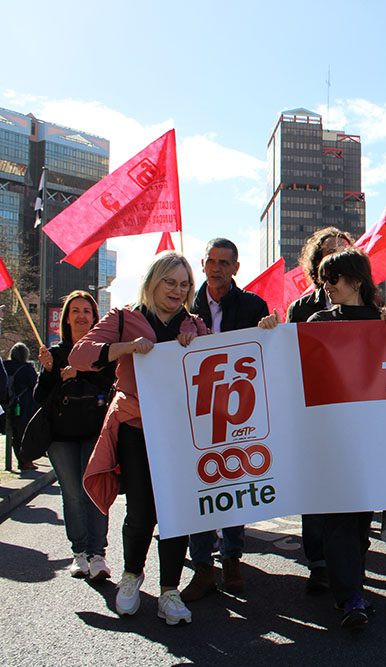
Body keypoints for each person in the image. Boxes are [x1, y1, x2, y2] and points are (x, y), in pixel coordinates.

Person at [261, 248, 386, 629]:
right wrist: (272, 336)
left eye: (333, 279)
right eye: (323, 279)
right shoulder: (319, 320)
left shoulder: (383, 323)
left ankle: (352, 584)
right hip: (331, 439)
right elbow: (290, 361)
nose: (326, 286)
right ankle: (350, 598)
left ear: (356, 280)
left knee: (358, 522)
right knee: (339, 518)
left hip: (370, 440)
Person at [71, 251, 207, 626]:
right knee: (142, 511)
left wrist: (198, 343)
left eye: (184, 285)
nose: (177, 291)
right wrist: (125, 349)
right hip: (136, 430)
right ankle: (131, 577)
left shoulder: (196, 324)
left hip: (182, 435)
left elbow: (220, 365)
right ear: (152, 282)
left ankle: (170, 591)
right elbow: (79, 355)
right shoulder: (121, 319)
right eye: (170, 282)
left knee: (177, 514)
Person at [181, 239, 269, 602]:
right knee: (197, 489)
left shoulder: (253, 305)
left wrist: (269, 329)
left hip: (238, 412)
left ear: (235, 268)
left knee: (232, 484)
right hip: (194, 411)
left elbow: (266, 353)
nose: (216, 268)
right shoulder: (183, 305)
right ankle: (203, 566)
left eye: (224, 263)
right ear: (202, 264)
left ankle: (232, 559)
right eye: (210, 261)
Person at [285, 226, 353, 593]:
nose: (336, 255)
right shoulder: (301, 308)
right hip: (313, 411)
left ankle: (353, 557)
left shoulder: (368, 304)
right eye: (328, 251)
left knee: (352, 488)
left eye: (343, 249)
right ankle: (319, 563)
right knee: (314, 492)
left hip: (354, 414)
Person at [36, 291, 115, 579]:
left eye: (87, 311)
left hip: (95, 432)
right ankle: (80, 552)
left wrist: (78, 375)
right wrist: (49, 373)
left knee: (94, 492)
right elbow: (40, 396)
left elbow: (110, 383)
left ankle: (98, 555)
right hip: (61, 436)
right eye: (76, 311)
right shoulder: (54, 353)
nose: (82, 316)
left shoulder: (103, 351)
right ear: (66, 318)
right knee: (72, 495)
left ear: (95, 318)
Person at [5, 342, 38, 472]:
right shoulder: (27, 368)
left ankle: (20, 460)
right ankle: (25, 461)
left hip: (8, 403)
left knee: (13, 433)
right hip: (25, 404)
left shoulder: (6, 366)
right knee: (25, 433)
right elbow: (35, 385)